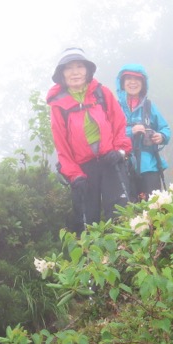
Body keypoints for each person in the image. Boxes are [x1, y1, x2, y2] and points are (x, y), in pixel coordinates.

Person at [47, 47, 133, 234]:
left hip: (111, 161)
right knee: (87, 223)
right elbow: (61, 145)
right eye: (69, 68)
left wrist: (120, 151)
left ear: (88, 71)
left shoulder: (102, 93)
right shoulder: (58, 105)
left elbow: (119, 123)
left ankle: (127, 259)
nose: (75, 72)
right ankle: (92, 261)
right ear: (62, 74)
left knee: (121, 214)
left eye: (79, 66)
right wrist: (74, 175)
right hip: (83, 170)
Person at [116, 64, 172, 200]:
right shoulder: (115, 107)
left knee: (155, 205)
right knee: (129, 209)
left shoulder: (149, 106)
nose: (133, 82)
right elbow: (109, 134)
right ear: (122, 83)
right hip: (123, 166)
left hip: (149, 165)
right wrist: (131, 131)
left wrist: (162, 136)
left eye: (137, 79)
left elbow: (165, 128)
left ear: (143, 83)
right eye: (128, 78)